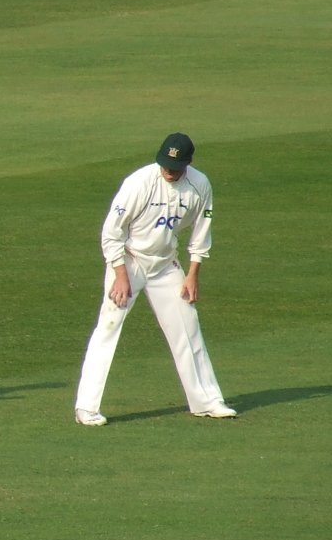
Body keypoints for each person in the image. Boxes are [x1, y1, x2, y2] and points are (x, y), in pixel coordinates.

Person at [74, 133, 236, 426]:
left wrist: (192, 274)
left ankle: (206, 401)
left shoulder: (200, 185)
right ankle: (86, 407)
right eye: (165, 165)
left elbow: (201, 232)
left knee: (188, 325)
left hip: (164, 264)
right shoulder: (139, 183)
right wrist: (120, 275)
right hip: (129, 260)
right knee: (109, 326)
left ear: (188, 163)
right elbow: (112, 232)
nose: (168, 172)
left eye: (175, 167)